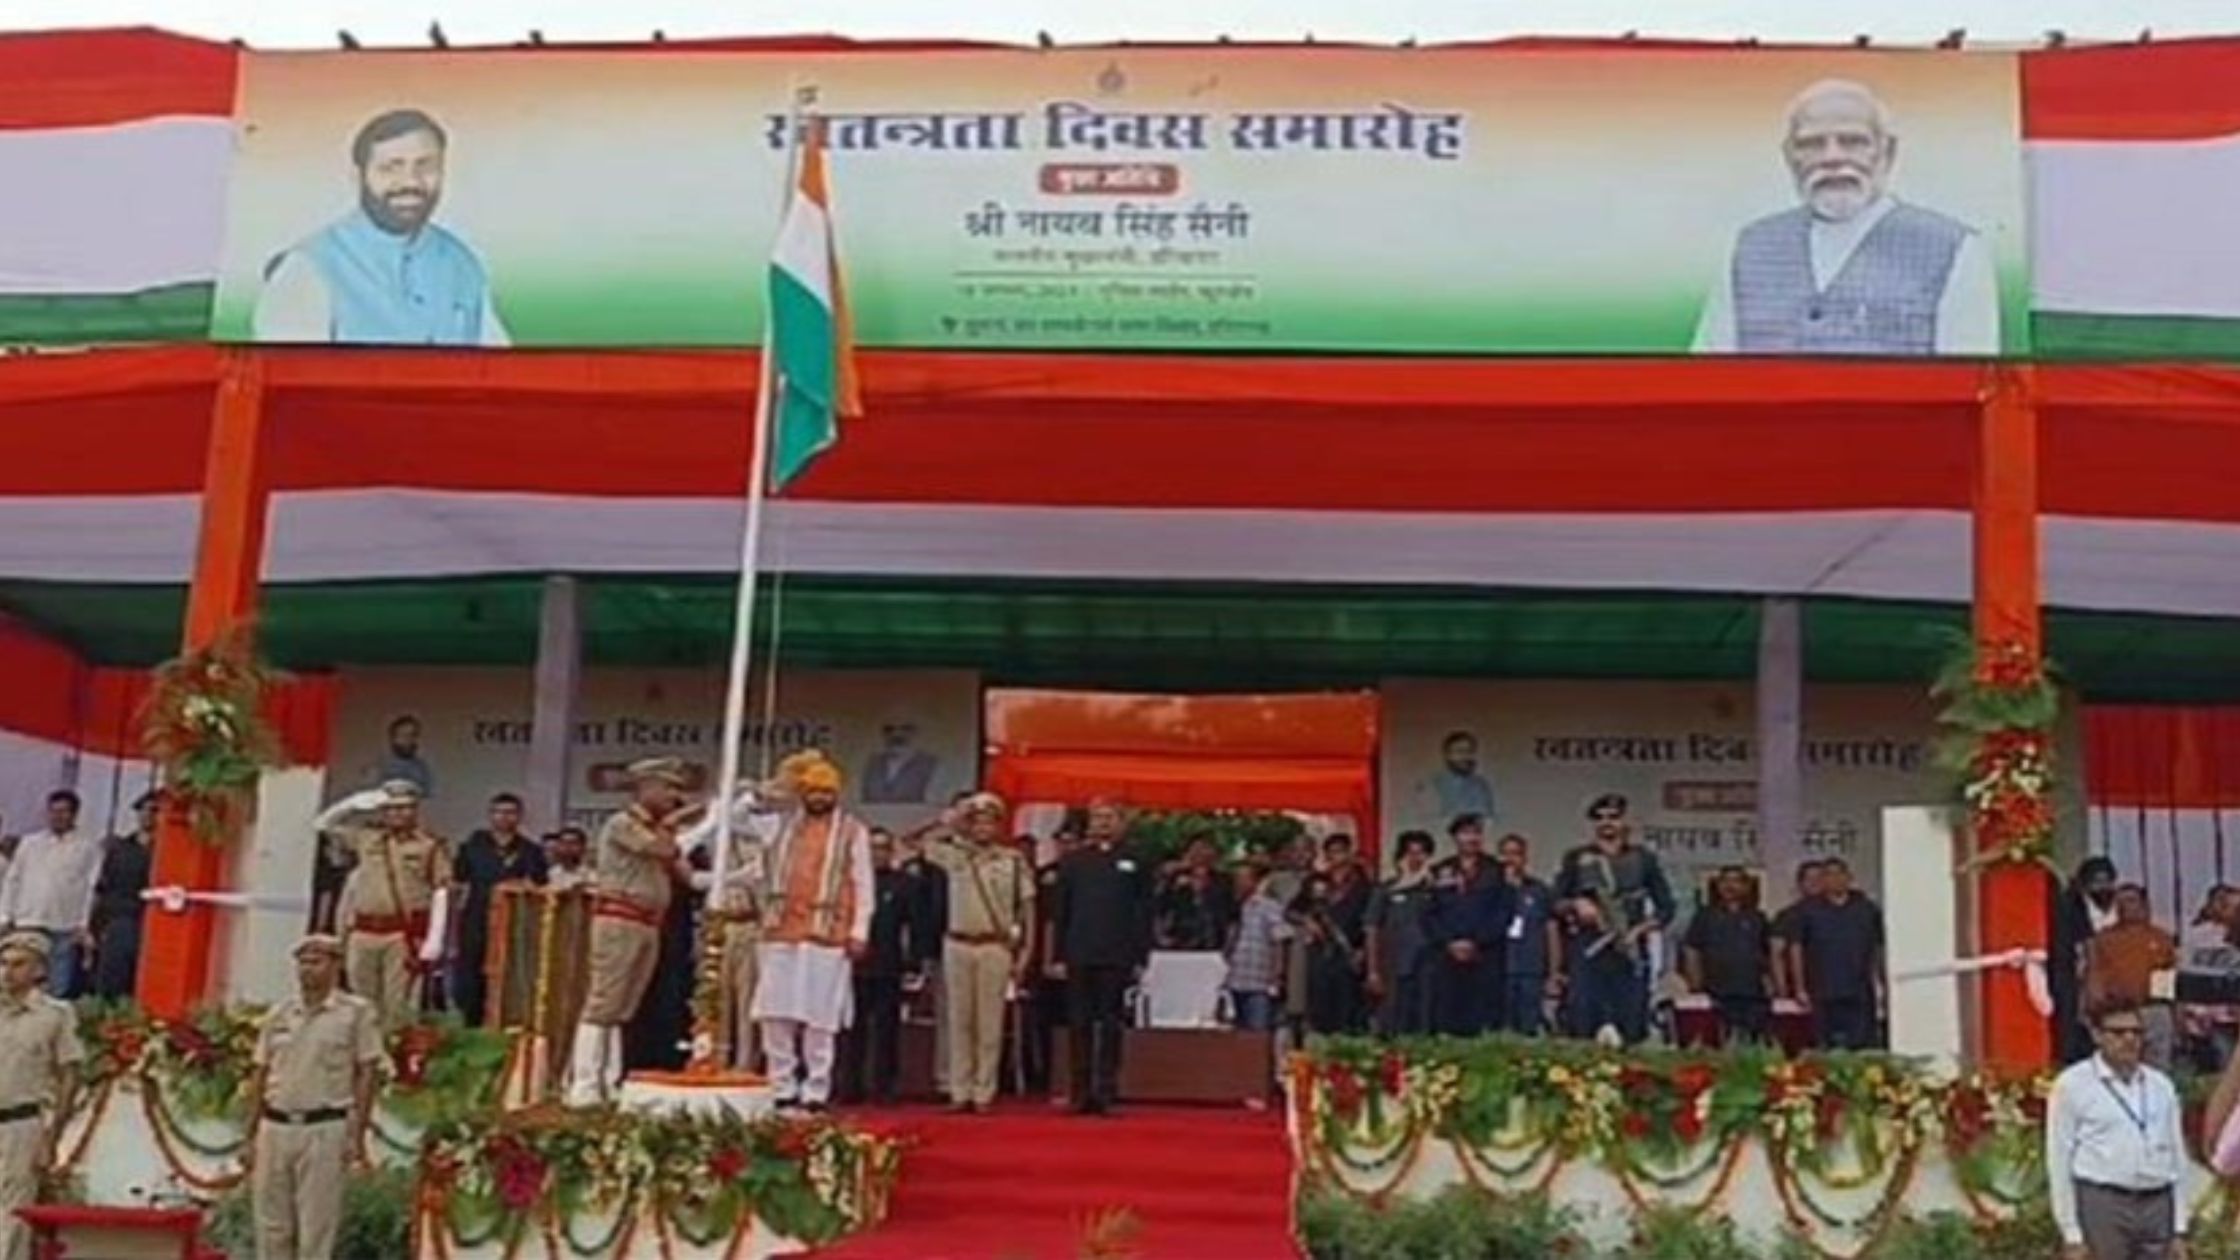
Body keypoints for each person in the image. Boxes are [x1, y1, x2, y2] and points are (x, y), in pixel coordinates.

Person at [1694, 78, 1999, 357]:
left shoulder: (1955, 248)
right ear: (1789, 156)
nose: (1832, 157)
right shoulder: (1749, 247)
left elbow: (1974, 381)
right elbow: (1706, 372)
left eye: (1852, 141)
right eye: (1812, 144)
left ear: (1887, 151)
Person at [255, 110, 510, 347]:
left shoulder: (461, 262)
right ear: (358, 176)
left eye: (425, 166)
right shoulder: (306, 268)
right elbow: (295, 380)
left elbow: (498, 369)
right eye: (391, 168)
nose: (411, 181)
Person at [752, 752, 876, 1112]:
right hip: (780, 930)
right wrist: (777, 787)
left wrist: (860, 930)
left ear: (836, 794)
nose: (819, 798)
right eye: (812, 791)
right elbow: (740, 816)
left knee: (819, 1015)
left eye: (826, 792)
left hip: (827, 934)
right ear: (802, 794)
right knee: (775, 1012)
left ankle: (816, 1089)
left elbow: (862, 883)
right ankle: (781, 1085)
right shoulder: (779, 825)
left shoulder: (853, 831)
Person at [249, 935, 382, 1260]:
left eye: (317, 961)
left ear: (336, 965)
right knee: (271, 1226)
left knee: (316, 1227)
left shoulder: (354, 1013)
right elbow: (260, 1072)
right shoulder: (280, 1013)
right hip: (276, 1123)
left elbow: (367, 1071)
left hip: (324, 1125)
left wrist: (358, 1132)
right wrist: (249, 1132)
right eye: (303, 962)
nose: (307, 970)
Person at [567, 758, 686, 1106]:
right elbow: (663, 850)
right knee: (603, 1002)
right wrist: (677, 823)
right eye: (668, 788)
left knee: (623, 1007)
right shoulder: (623, 823)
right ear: (646, 787)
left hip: (647, 923)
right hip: (620, 919)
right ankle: (584, 1083)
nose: (673, 796)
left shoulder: (655, 826)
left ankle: (609, 1080)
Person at [909, 793, 1036, 1113]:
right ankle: (959, 1090)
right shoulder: (955, 856)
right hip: (957, 942)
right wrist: (950, 820)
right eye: (976, 822)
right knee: (958, 1021)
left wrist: (1026, 953)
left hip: (994, 944)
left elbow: (1028, 909)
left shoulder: (1012, 860)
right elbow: (912, 842)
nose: (982, 828)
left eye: (988, 822)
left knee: (990, 1024)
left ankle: (984, 1092)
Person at [2046, 997, 2191, 1260]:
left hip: (2157, 1200)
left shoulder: (2160, 1086)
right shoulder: (2073, 1085)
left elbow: (2177, 1156)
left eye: (2136, 1032)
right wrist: (2071, 1233)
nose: (2129, 1039)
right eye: (2118, 1032)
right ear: (2097, 1036)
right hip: (2104, 1201)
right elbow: (2059, 1159)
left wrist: (2179, 1228)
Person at [315, 779, 451, 1030]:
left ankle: (394, 1061)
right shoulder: (368, 838)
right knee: (360, 1003)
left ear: (415, 810)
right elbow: (323, 824)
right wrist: (353, 804)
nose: (397, 813)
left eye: (405, 807)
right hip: (363, 933)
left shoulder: (428, 846)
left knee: (397, 1006)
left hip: (400, 934)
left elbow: (441, 891)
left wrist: (435, 939)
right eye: (390, 808)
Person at [1050, 797, 1152, 1116]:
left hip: (1117, 953)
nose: (1103, 823)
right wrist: (1058, 955)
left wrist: (1140, 954)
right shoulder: (1073, 862)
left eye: (1109, 817)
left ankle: (1106, 1090)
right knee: (1079, 1023)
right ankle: (1079, 1092)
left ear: (1122, 823)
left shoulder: (1136, 861)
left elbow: (1143, 911)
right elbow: (1061, 912)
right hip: (1080, 950)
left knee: (1111, 1023)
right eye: (1097, 818)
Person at [1555, 795, 1675, 1045]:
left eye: (1613, 817)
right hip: (1589, 948)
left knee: (1630, 1020)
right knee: (1584, 1019)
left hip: (1628, 948)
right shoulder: (1577, 858)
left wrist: (1640, 930)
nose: (1606, 823)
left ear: (1625, 822)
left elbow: (1666, 908)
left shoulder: (1643, 859)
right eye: (1600, 818)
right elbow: (1555, 901)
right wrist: (1576, 904)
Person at [0, 931, 81, 1260]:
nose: (7, 972)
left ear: (38, 970)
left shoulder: (54, 1015)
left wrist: (53, 1136)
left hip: (21, 1123)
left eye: (18, 964)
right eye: (3, 963)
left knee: (12, 1215)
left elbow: (69, 1076)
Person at [451, 792, 549, 1028]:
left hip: (515, 923)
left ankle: (505, 1025)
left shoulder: (531, 851)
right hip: (477, 920)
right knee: (472, 975)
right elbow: (457, 883)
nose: (504, 818)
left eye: (510, 813)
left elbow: (541, 886)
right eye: (499, 812)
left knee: (510, 974)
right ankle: (471, 1025)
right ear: (490, 815)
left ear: (519, 817)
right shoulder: (472, 847)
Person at [838, 826, 917, 1105]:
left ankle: (884, 1087)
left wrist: (914, 962)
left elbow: (913, 926)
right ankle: (849, 1085)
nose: (877, 854)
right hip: (852, 966)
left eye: (883, 848)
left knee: (887, 1030)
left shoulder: (902, 883)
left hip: (888, 965)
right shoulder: (848, 884)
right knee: (851, 1029)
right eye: (872, 848)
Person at [0, 791, 101, 998]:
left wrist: (83, 923)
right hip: (28, 919)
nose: (57, 816)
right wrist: (5, 915)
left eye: (63, 811)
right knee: (20, 976)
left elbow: (90, 887)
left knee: (57, 983)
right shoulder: (30, 843)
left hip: (64, 924)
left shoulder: (88, 847)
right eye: (53, 811)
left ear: (74, 814)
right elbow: (13, 879)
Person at [1791, 857, 1887, 1050]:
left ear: (1849, 878)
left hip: (1859, 989)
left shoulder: (1866, 909)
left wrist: (1881, 982)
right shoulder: (1807, 910)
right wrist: (1799, 987)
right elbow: (1796, 948)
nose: (1835, 880)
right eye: (1829, 875)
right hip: (1822, 989)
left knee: (1862, 1044)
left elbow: (1878, 948)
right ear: (1823, 881)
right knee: (1826, 1045)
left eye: (1839, 874)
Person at [1424, 817, 1509, 1036]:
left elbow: (1504, 911)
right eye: (1465, 833)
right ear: (1455, 838)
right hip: (1447, 954)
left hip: (1485, 954)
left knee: (1485, 1016)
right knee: (1448, 1015)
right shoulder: (1440, 870)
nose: (1471, 838)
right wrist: (1450, 942)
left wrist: (1476, 942)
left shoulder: (1497, 870)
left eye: (1476, 833)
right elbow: (1429, 914)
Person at [2085, 885, 2181, 1071]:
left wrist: (2175, 1015)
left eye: (2131, 900)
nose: (2125, 906)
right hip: (2117, 1013)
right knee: (2119, 1066)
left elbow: (2168, 980)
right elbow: (2094, 975)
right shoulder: (2103, 939)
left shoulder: (2161, 938)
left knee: (2158, 1067)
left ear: (2144, 905)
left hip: (2154, 1010)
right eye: (2120, 902)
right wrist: (2095, 1010)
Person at [1683, 866, 1777, 1044]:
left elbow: (1768, 953)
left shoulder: (1757, 917)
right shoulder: (1705, 916)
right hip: (1716, 989)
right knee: (1719, 1040)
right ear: (1718, 886)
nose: (1730, 886)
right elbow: (1692, 949)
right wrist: (1695, 982)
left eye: (1736, 881)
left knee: (1752, 1041)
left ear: (1746, 886)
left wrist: (1771, 983)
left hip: (1752, 991)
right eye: (1725, 881)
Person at [1364, 831, 1436, 1036]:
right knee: (1393, 1019)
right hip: (1393, 965)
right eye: (1410, 853)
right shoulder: (1386, 889)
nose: (1415, 859)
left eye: (1421, 853)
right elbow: (1371, 928)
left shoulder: (1434, 889)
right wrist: (1373, 970)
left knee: (1424, 1020)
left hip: (1426, 964)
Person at [90, 790, 158, 999]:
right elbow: (102, 886)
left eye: (155, 811)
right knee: (112, 973)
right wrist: (94, 925)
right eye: (145, 810)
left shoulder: (168, 849)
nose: (149, 815)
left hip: (151, 919)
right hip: (119, 917)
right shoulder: (120, 848)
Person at [2055, 857, 2123, 1066]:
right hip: (2073, 980)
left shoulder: (2122, 906)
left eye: (2106, 881)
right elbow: (2087, 945)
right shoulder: (2073, 904)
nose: (2103, 887)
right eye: (2096, 882)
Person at [1495, 833, 1563, 1037]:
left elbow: (1551, 932)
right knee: (1500, 1029)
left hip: (1530, 970)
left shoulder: (1539, 890)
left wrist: (1554, 973)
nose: (1510, 859)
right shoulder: (1490, 890)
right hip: (1498, 970)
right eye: (1505, 854)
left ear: (1525, 858)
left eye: (1515, 854)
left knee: (1528, 1028)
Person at [1225, 860, 1291, 1033]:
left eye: (1244, 878)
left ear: (1254, 882)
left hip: (1259, 981)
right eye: (1236, 879)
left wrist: (1278, 974)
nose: (1239, 883)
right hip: (1233, 980)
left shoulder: (1268, 906)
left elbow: (1280, 940)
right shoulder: (1232, 907)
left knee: (1258, 1033)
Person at [1154, 833, 1236, 952]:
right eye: (1196, 849)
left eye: (1205, 848)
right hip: (1179, 942)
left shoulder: (1223, 880)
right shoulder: (1174, 878)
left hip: (1214, 942)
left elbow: (1231, 913)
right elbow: (1159, 906)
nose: (1201, 853)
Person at [1770, 860, 1827, 1007]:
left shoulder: (1840, 914)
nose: (1815, 883)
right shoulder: (1788, 916)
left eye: (1819, 878)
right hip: (1797, 993)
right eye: (1810, 879)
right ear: (1800, 884)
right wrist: (1782, 990)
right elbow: (1777, 955)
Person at [1418, 731, 1495, 829]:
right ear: (1447, 755)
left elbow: (1488, 820)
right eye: (1459, 751)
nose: (1465, 756)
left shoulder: (1481, 785)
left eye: (1469, 751)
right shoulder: (1430, 785)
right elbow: (1427, 821)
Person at [859, 719, 940, 805]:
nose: (896, 734)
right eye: (889, 729)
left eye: (906, 728)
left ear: (917, 733)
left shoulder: (930, 764)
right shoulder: (873, 764)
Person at [544, 826, 593, 893]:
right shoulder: (552, 873)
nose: (567, 847)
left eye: (573, 843)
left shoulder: (591, 876)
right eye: (563, 843)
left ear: (583, 848)